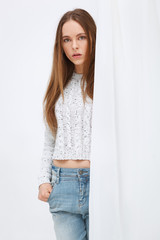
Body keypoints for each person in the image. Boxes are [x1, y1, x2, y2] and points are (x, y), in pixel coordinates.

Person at [38, 8, 96, 240]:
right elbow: (49, 140)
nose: (74, 46)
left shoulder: (105, 84)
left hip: (99, 183)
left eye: (81, 37)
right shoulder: (57, 88)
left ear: (92, 37)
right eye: (67, 39)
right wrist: (43, 180)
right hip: (62, 183)